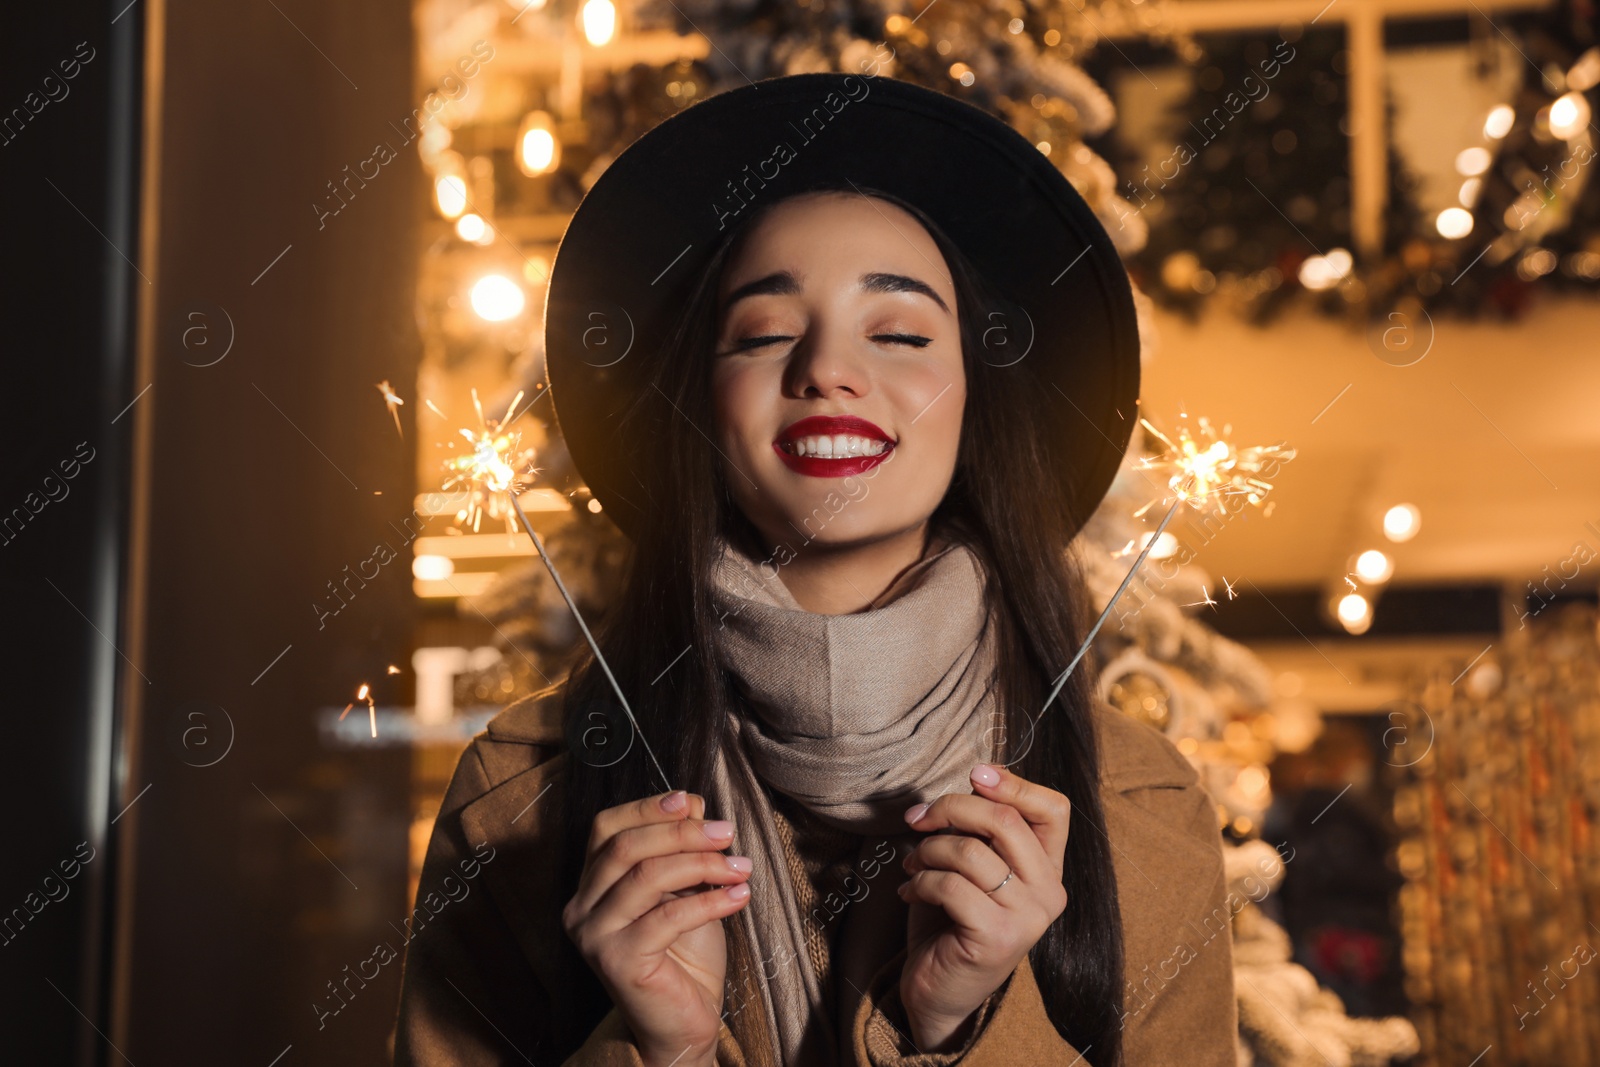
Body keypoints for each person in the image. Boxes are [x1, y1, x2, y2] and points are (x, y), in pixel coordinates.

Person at [393, 73, 1237, 1067]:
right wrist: (655, 1048)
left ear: (975, 397)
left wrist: (963, 1025)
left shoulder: (1137, 803)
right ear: (701, 405)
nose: (828, 368)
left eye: (900, 333)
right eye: (763, 333)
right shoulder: (520, 794)